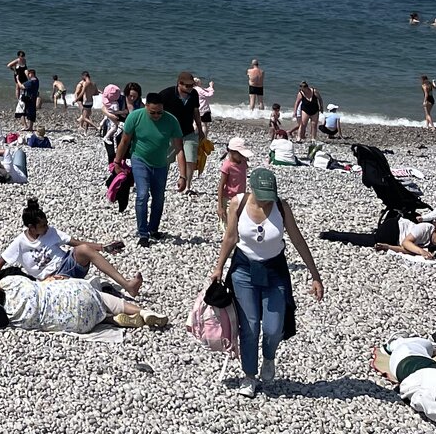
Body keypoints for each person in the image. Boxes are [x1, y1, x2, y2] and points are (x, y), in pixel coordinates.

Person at [210, 166, 324, 397]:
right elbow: (230, 237)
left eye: (269, 196)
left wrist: (315, 275)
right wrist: (219, 267)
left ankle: (269, 357)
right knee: (250, 326)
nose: (265, 201)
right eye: (262, 196)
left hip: (274, 270)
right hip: (243, 270)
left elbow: (297, 240)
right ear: (251, 189)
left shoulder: (281, 207)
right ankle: (249, 376)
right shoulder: (238, 203)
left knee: (273, 328)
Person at [0, 197, 143, 294]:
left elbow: (76, 243)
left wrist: (102, 247)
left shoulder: (51, 232)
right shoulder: (20, 242)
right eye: (42, 226)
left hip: (68, 265)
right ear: (31, 227)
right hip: (49, 280)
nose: (46, 227)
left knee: (83, 249)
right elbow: (0, 262)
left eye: (46, 223)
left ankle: (127, 285)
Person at [0, 269, 164, 335]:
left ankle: (112, 320)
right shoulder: (10, 282)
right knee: (102, 298)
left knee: (76, 314)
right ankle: (143, 311)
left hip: (80, 325)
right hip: (79, 293)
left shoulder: (9, 317)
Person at [118, 88, 183, 246]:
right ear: (146, 106)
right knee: (142, 194)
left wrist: (183, 175)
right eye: (153, 112)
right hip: (139, 159)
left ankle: (153, 229)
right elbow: (125, 141)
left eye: (159, 112)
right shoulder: (135, 117)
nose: (156, 115)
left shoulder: (171, 120)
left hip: (161, 164)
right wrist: (117, 162)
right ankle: (143, 233)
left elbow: (179, 149)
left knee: (159, 198)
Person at [154, 72, 202, 193]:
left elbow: (196, 112)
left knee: (190, 159)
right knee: (166, 160)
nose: (190, 88)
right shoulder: (166, 94)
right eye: (187, 86)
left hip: (188, 131)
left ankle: (188, 186)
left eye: (192, 85)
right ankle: (161, 184)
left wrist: (200, 129)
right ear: (179, 84)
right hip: (170, 133)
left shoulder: (194, 94)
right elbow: (153, 109)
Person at [216, 137, 251, 231]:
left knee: (239, 221)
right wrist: (220, 206)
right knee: (228, 225)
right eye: (240, 154)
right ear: (232, 152)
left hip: (241, 197)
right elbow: (221, 186)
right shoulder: (227, 166)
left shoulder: (243, 162)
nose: (242, 156)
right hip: (228, 198)